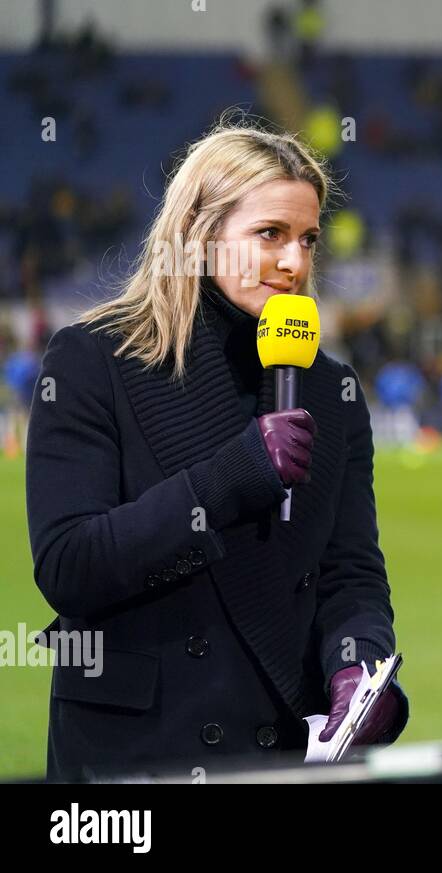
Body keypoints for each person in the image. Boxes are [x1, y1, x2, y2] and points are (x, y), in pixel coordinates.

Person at [27, 121, 407, 781]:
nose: (294, 262)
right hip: (134, 755)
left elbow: (351, 574)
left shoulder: (331, 386)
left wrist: (356, 664)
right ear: (199, 235)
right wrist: (232, 477)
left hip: (275, 747)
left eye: (308, 238)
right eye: (270, 235)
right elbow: (70, 564)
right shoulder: (95, 358)